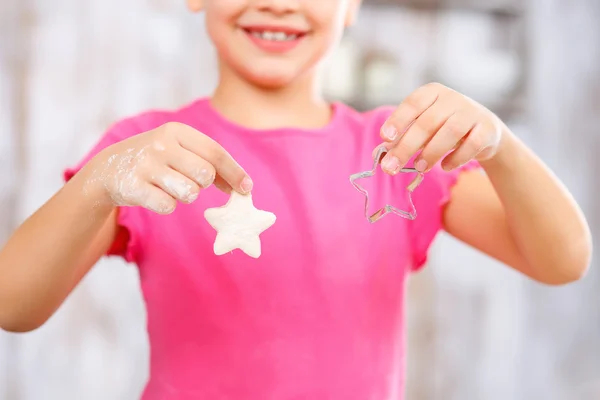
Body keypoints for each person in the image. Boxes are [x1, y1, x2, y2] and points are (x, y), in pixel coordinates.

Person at [0, 0, 592, 399]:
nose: (278, 2)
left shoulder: (397, 151)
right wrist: (99, 179)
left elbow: (561, 260)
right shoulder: (145, 154)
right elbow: (14, 305)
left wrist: (499, 146)